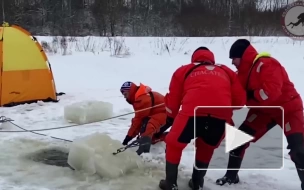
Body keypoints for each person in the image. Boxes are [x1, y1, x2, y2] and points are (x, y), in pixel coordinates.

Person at [215, 39, 304, 190]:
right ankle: (231, 176)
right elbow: (236, 97)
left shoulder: (267, 64)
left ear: (242, 56)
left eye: (233, 59)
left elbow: (270, 92)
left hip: (288, 109)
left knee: (298, 149)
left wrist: (249, 96)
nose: (232, 62)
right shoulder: (241, 75)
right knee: (238, 139)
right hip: (263, 111)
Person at [158, 47, 247, 190]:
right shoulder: (227, 71)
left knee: (174, 144)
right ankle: (197, 182)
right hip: (220, 117)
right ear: (212, 59)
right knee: (206, 148)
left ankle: (170, 183)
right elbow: (240, 101)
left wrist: (171, 117)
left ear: (194, 58)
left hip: (192, 113)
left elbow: (173, 101)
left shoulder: (184, 70)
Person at [120, 81, 168, 155]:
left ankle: (144, 153)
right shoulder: (139, 97)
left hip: (167, 115)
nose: (124, 97)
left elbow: (138, 121)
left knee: (147, 128)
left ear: (131, 91)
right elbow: (138, 120)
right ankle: (167, 137)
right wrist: (128, 138)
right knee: (148, 135)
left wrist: (127, 138)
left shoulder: (141, 99)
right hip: (160, 115)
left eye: (125, 94)